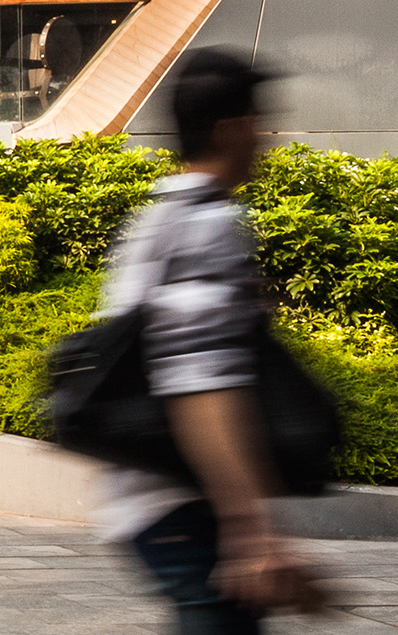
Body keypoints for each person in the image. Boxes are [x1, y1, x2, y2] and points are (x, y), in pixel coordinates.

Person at [97, 47, 329, 631]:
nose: (267, 140)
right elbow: (199, 384)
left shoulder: (156, 217)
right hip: (186, 507)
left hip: (155, 502)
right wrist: (251, 534)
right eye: (260, 124)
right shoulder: (208, 227)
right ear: (231, 129)